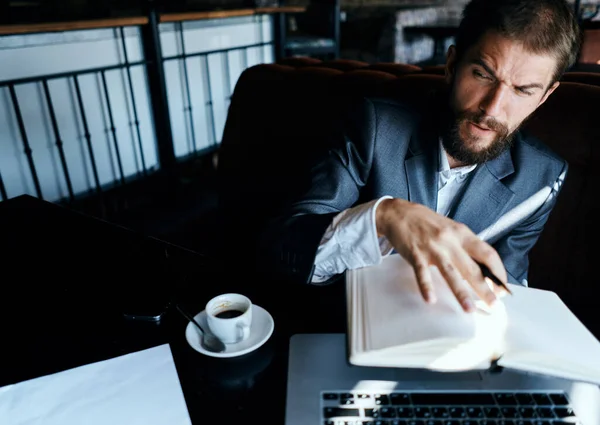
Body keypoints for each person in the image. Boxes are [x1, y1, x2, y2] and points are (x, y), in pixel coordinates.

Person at [256, 0, 581, 313]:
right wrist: (384, 217)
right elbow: (285, 249)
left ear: (544, 97)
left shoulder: (543, 179)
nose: (492, 109)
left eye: (522, 91)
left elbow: (507, 289)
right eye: (482, 74)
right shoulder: (373, 126)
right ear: (453, 65)